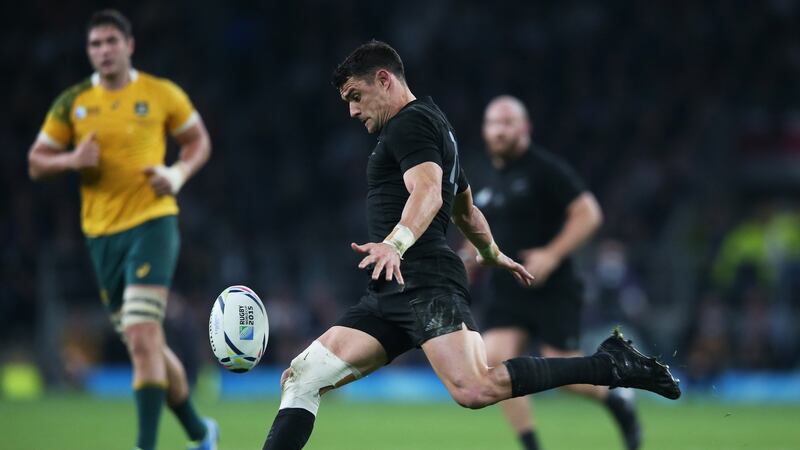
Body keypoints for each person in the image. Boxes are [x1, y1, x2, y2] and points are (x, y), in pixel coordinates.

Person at [261, 40, 680, 450]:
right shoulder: (434, 124)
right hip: (390, 289)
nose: (351, 110)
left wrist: (395, 242)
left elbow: (429, 193)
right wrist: (491, 252)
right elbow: (466, 209)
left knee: (475, 387)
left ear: (384, 80)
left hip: (423, 281)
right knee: (303, 376)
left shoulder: (410, 124)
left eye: (355, 96)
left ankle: (610, 364)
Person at [27, 10, 217, 450]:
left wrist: (177, 175)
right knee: (144, 343)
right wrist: (71, 161)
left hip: (153, 221)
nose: (103, 51)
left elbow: (198, 141)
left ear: (129, 45)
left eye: (111, 41)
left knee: (141, 333)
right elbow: (36, 161)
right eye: (95, 44)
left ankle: (145, 445)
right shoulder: (73, 103)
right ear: (88, 51)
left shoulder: (160, 92)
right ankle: (200, 432)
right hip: (101, 235)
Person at [467, 95, 641, 450]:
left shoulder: (545, 169)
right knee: (493, 365)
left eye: (507, 122)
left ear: (525, 128)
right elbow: (488, 235)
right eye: (493, 123)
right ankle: (531, 445)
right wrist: (468, 257)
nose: (499, 131)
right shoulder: (488, 180)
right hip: (507, 290)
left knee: (565, 376)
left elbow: (589, 212)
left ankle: (617, 401)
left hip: (552, 288)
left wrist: (550, 254)